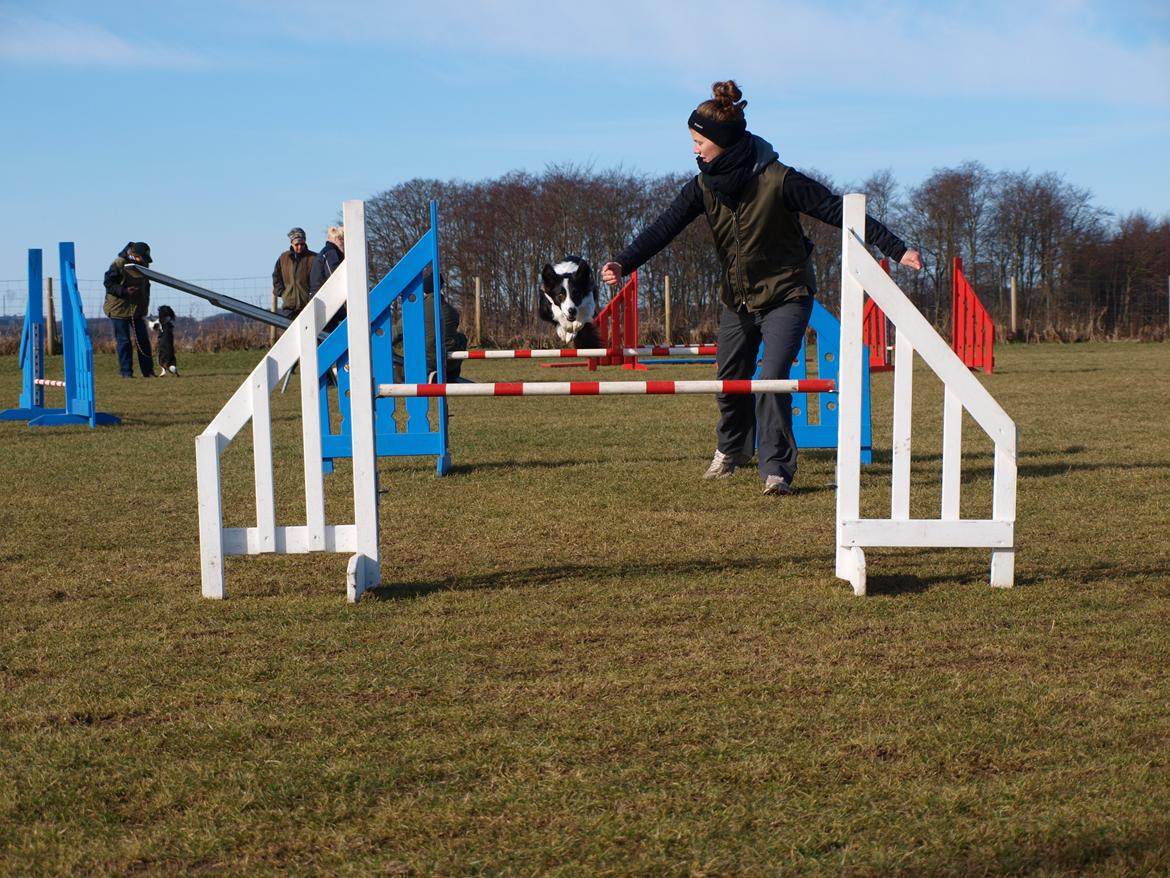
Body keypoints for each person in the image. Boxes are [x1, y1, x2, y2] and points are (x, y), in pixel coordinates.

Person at [601, 80, 922, 496]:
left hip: (787, 294)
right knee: (730, 377)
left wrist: (897, 248)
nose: (694, 149)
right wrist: (624, 262)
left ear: (724, 142)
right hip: (738, 300)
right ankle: (732, 450)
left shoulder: (779, 179)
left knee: (771, 378)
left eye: (699, 141)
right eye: (693, 141)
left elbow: (839, 210)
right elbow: (665, 225)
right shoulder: (702, 185)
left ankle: (775, 471)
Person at [391, 264, 467, 383]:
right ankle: (449, 374)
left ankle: (421, 374)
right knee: (461, 338)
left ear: (424, 292)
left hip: (426, 362)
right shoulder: (452, 311)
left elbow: (397, 333)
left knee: (410, 339)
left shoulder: (417, 310)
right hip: (449, 362)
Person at [102, 241, 155, 379]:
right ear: (133, 254)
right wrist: (125, 291)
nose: (143, 261)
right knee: (124, 341)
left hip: (137, 309)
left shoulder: (144, 264)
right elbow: (108, 284)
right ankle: (126, 373)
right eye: (141, 258)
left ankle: (148, 372)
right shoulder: (119, 263)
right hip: (118, 310)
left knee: (143, 340)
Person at [272, 227, 317, 320]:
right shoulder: (283, 258)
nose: (300, 246)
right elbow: (276, 276)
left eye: (302, 244)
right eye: (297, 244)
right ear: (291, 243)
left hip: (308, 305)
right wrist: (283, 293)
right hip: (289, 307)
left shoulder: (313, 258)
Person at [308, 225, 344, 297]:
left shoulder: (326, 251)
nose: (344, 242)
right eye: (341, 239)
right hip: (323, 296)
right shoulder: (331, 253)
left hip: (318, 293)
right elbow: (334, 276)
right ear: (336, 239)